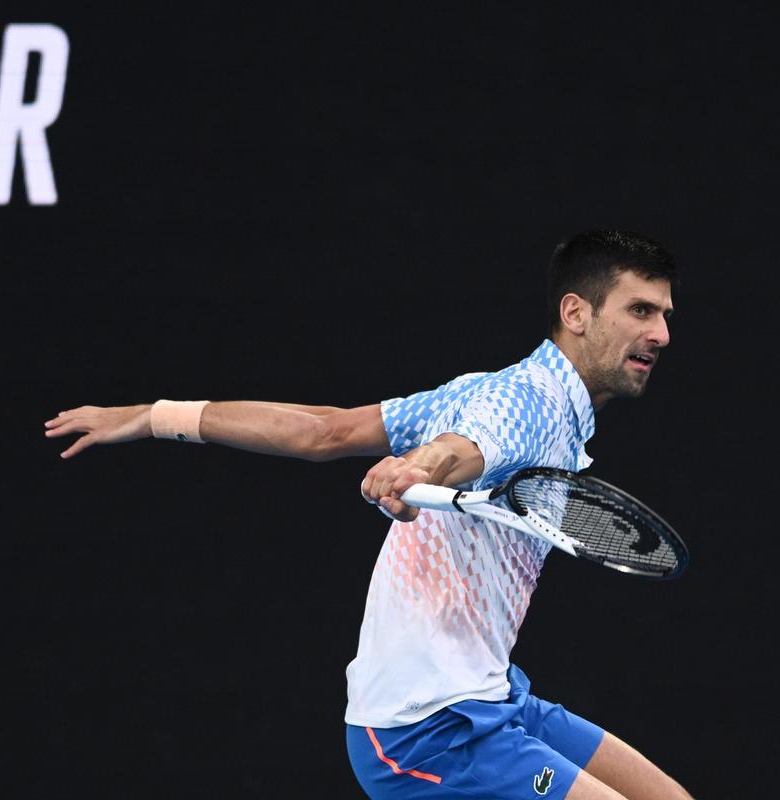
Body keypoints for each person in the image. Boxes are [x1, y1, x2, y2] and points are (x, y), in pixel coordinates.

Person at [44, 230, 692, 799]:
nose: (661, 332)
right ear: (575, 312)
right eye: (640, 310)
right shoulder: (525, 403)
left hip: (492, 698)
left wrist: (158, 416)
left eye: (663, 313)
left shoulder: (487, 388)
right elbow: (468, 446)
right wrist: (422, 467)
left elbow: (322, 431)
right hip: (425, 734)